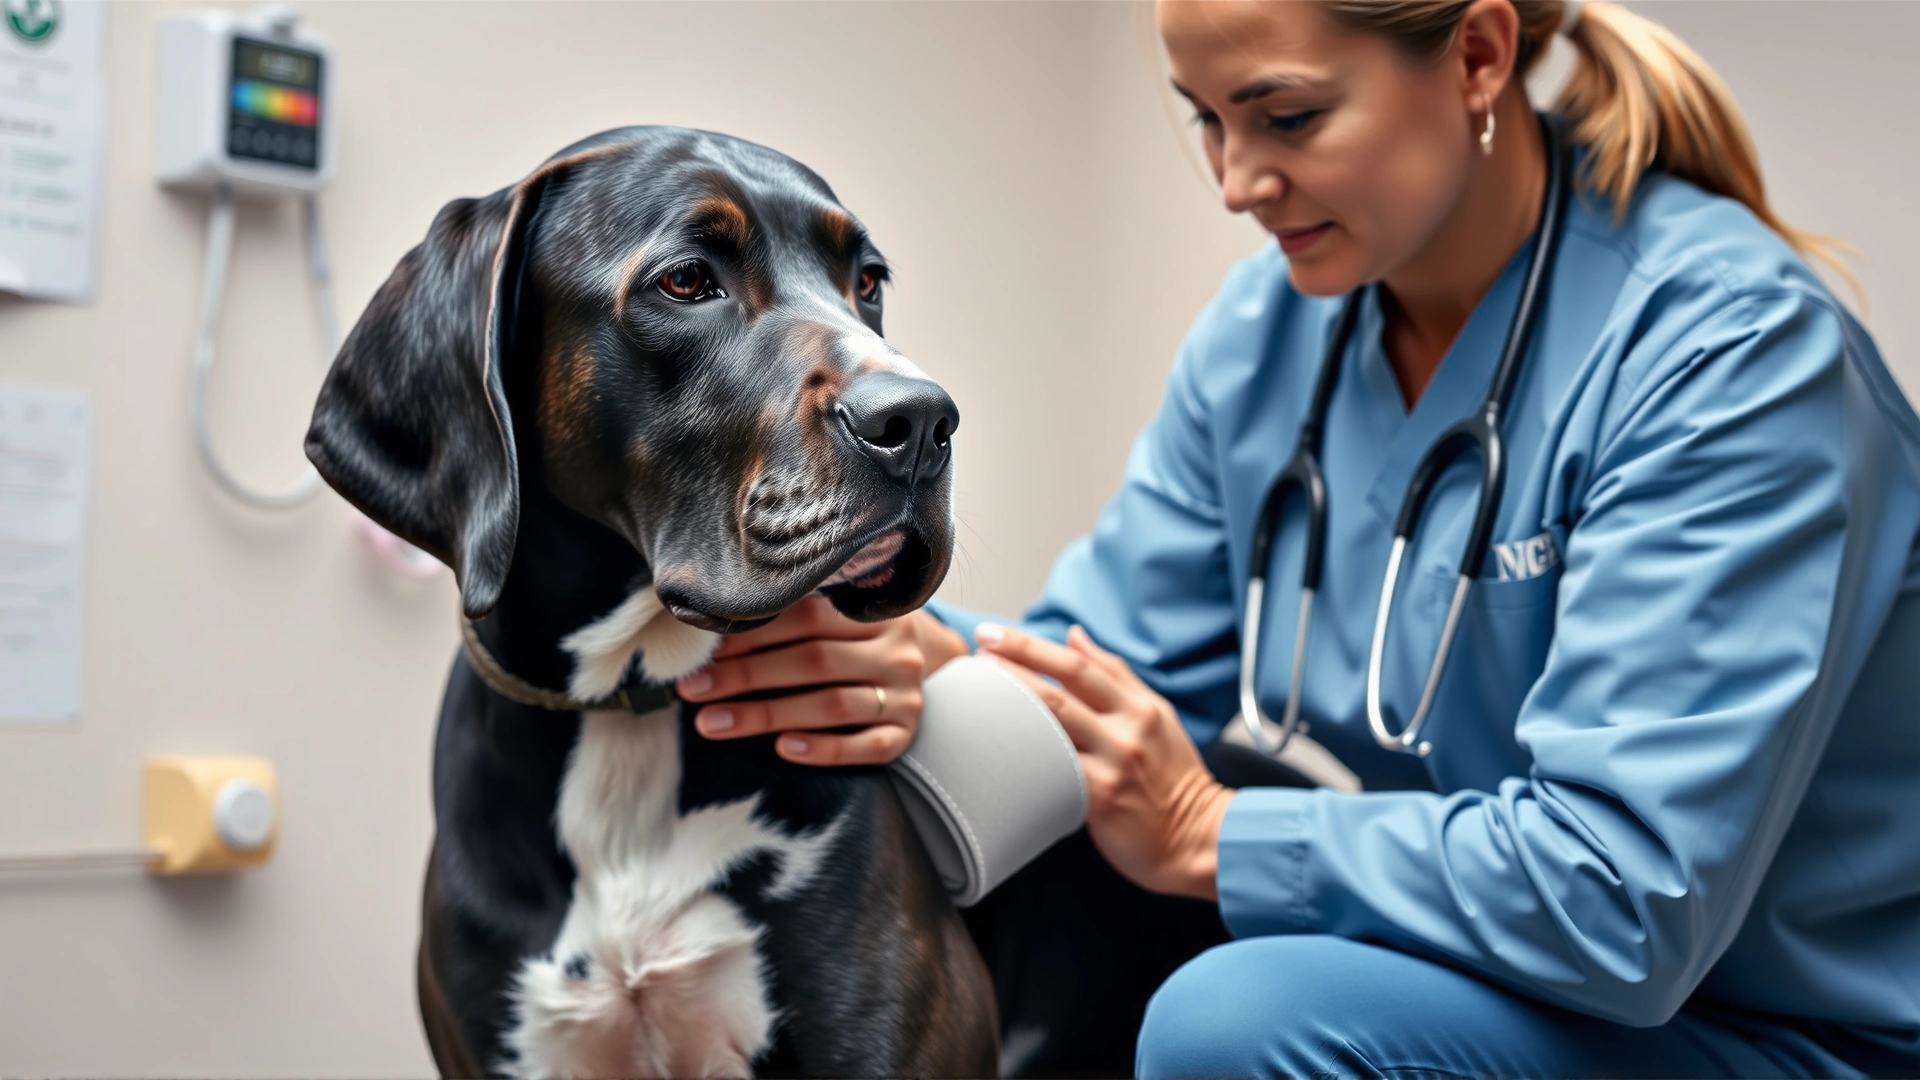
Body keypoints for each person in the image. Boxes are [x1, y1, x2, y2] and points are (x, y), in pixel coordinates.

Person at [671, 1, 1920, 1076]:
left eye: (1286, 116)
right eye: (1205, 117)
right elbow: (1102, 667)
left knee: (1236, 1025)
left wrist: (1210, 830)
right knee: (998, 828)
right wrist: (925, 662)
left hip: (1771, 1028)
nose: (1233, 180)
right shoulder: (1273, 330)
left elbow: (1624, 895)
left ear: (1480, 57)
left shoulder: (1732, 360)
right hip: (1480, 972)